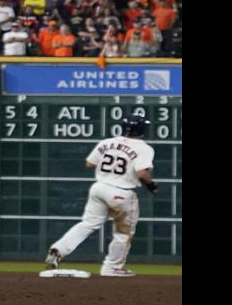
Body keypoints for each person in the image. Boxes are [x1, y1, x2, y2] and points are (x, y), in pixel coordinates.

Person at [45, 117, 159, 278]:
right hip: (122, 192)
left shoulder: (107, 142)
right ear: (141, 130)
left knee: (88, 224)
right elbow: (142, 173)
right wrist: (151, 186)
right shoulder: (144, 148)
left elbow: (89, 164)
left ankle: (59, 249)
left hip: (99, 188)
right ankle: (112, 267)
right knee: (123, 233)